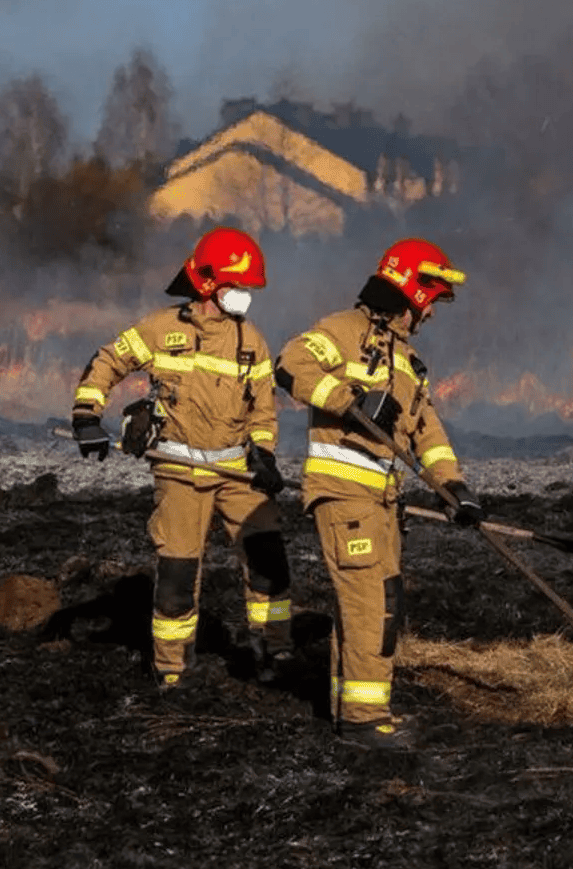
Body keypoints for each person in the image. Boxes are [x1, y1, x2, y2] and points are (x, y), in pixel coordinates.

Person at [274, 237, 483, 749]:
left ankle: (357, 711)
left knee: (381, 605)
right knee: (369, 605)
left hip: (384, 503)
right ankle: (367, 723)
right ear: (411, 288)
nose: (431, 311)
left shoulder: (408, 363)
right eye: (430, 297)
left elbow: (427, 432)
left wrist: (452, 486)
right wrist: (352, 399)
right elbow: (290, 363)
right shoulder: (341, 333)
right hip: (344, 496)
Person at [70, 226, 294, 691]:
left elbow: (263, 409)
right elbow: (108, 361)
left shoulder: (252, 340)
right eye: (239, 286)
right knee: (177, 572)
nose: (246, 296)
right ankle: (173, 670)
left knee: (269, 559)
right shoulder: (160, 329)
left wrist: (265, 456)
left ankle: (274, 653)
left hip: (235, 470)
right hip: (180, 471)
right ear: (211, 283)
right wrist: (87, 417)